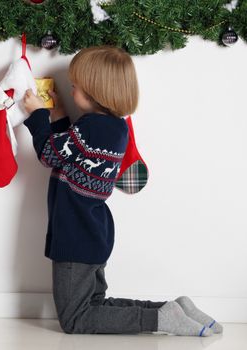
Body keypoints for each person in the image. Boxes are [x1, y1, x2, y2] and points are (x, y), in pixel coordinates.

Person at [22, 46, 222, 336]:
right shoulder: (113, 128)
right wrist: (62, 115)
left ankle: (159, 320)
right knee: (95, 304)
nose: (72, 89)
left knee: (76, 318)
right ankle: (171, 308)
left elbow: (49, 154)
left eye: (75, 87)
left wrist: (38, 117)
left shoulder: (89, 129)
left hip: (75, 235)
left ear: (94, 92)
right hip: (94, 232)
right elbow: (72, 151)